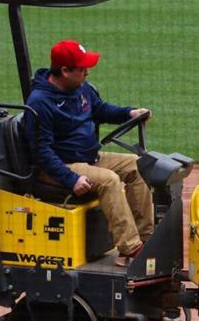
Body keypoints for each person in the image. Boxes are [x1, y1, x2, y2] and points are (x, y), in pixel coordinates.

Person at [26, 40, 154, 265]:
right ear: (65, 71)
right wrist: (71, 179)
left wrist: (129, 113)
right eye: (82, 68)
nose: (87, 72)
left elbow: (101, 109)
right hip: (60, 165)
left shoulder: (80, 87)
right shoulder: (40, 103)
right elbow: (41, 152)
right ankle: (130, 250)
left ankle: (146, 238)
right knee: (109, 180)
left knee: (139, 164)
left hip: (89, 157)